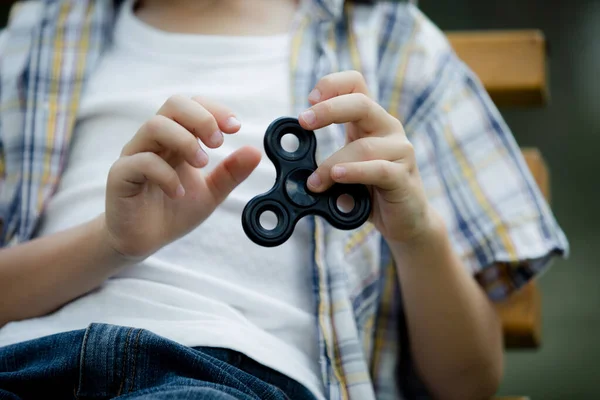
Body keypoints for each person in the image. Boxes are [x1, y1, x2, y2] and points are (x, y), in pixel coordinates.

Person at [0, 0, 568, 399]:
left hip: (234, 374)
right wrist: (111, 242)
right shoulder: (44, 30)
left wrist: (416, 234)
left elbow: (469, 381)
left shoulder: (390, 41)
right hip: (23, 361)